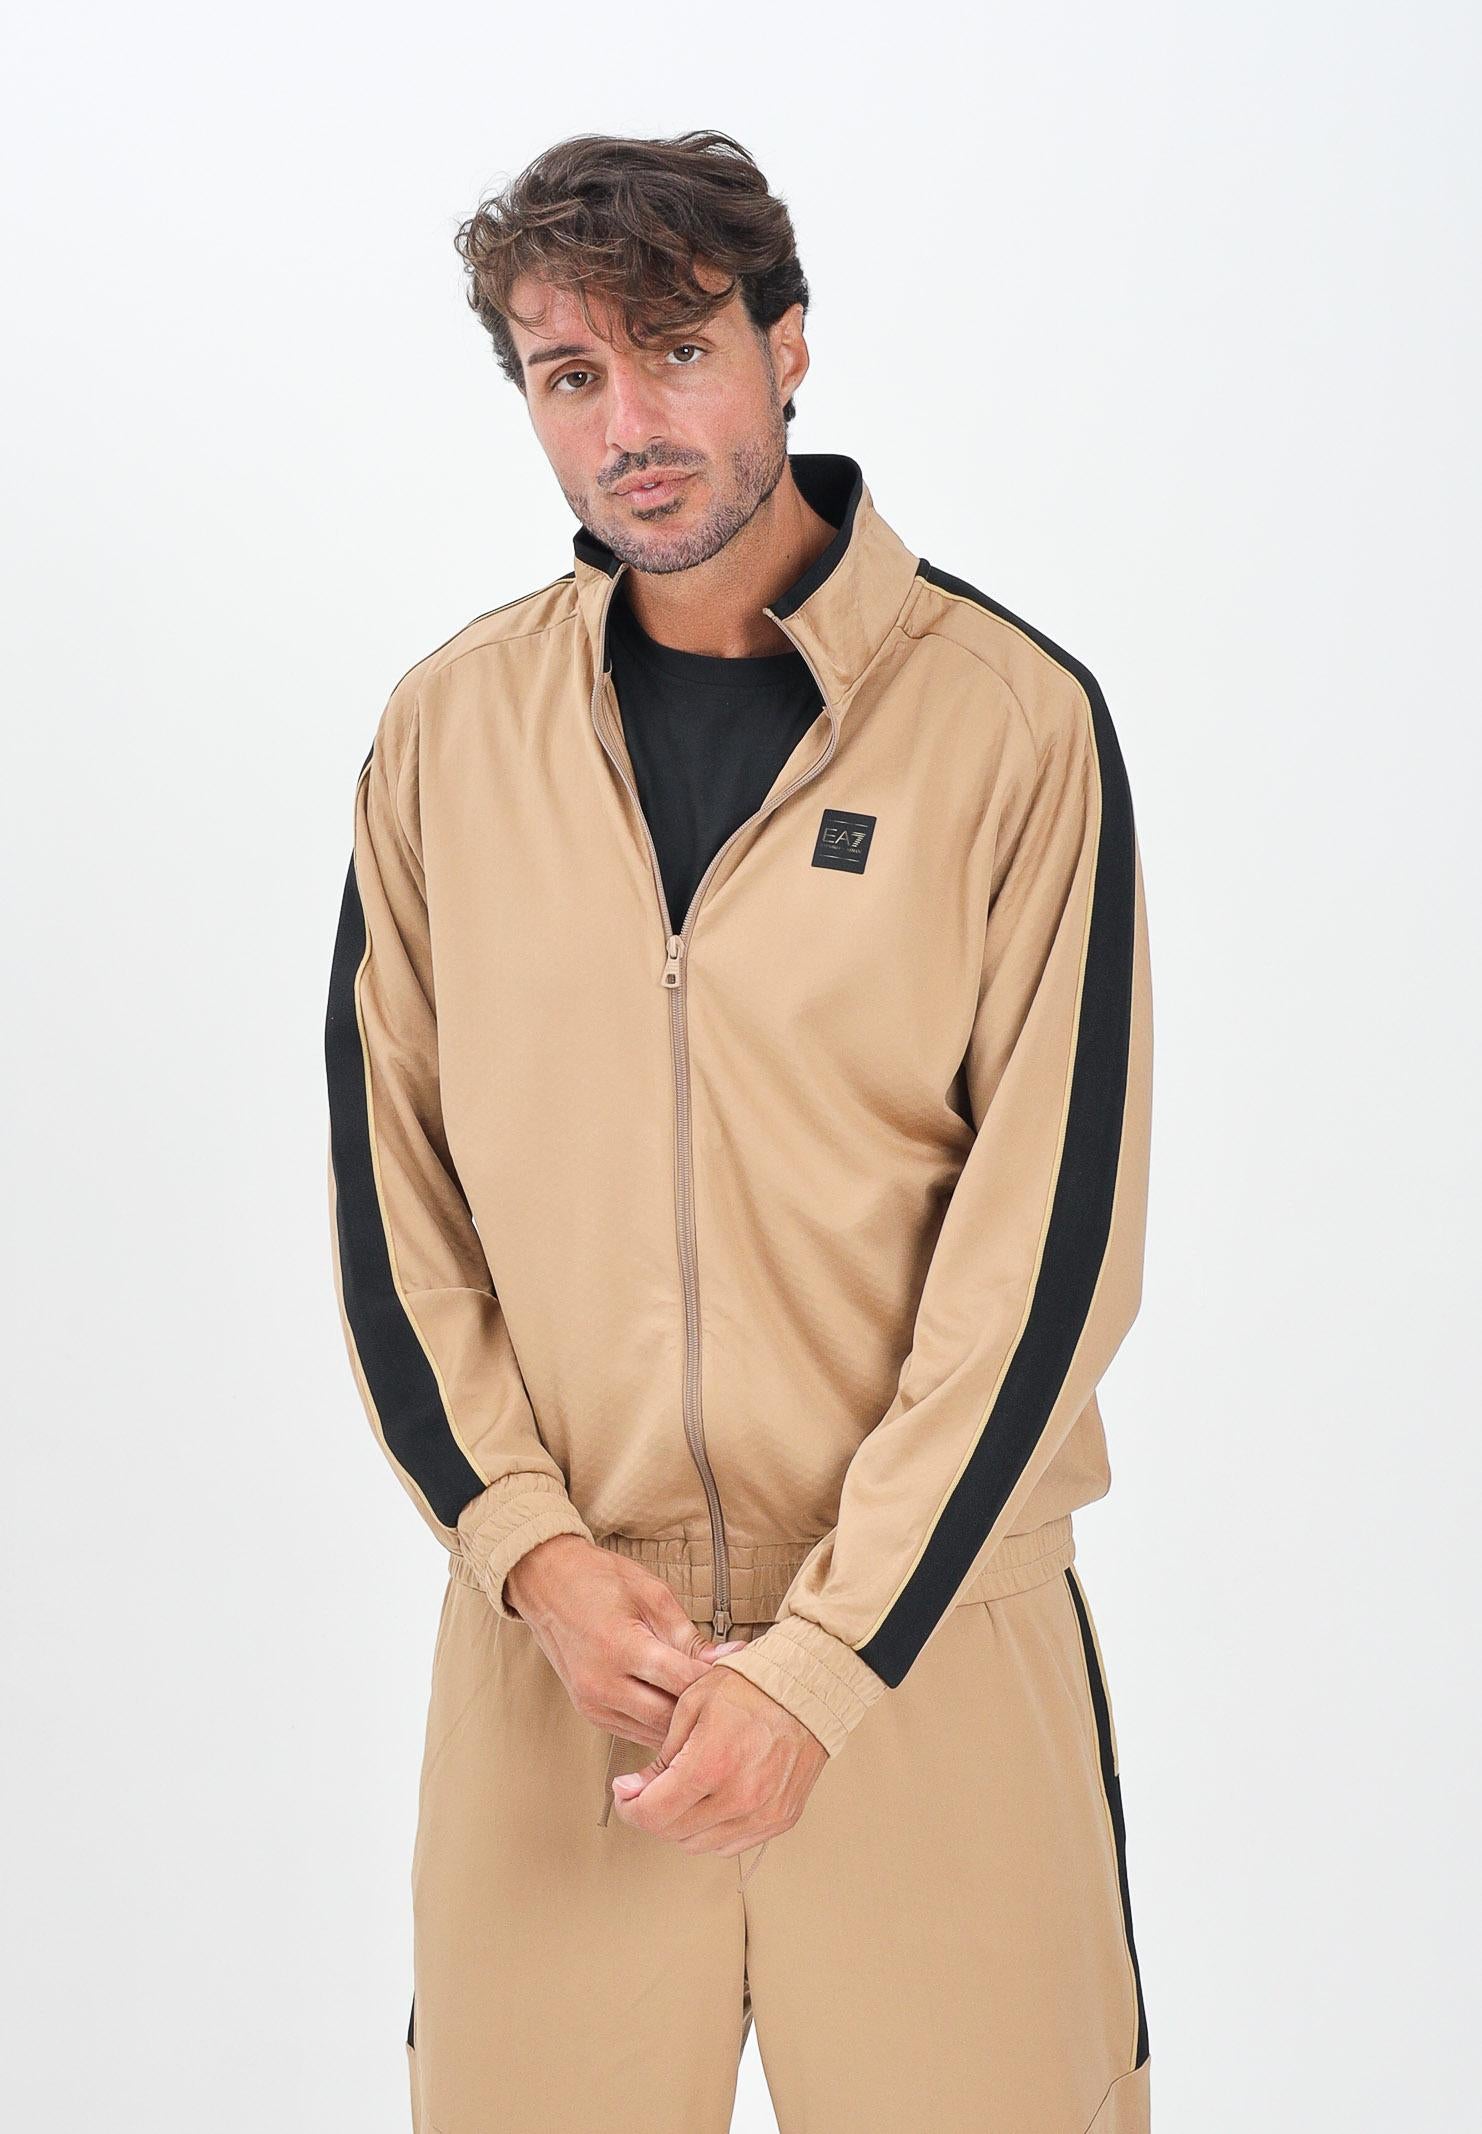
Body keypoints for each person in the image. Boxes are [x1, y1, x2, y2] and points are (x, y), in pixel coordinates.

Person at [324, 128, 1155, 2134]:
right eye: (569, 374)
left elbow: (1046, 1258)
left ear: (788, 346)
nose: (629, 425)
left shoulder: (1008, 724)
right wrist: (528, 1550)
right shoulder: (446, 736)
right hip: (571, 1660)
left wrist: (830, 1656)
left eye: (677, 350)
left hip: (927, 1649)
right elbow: (389, 1204)